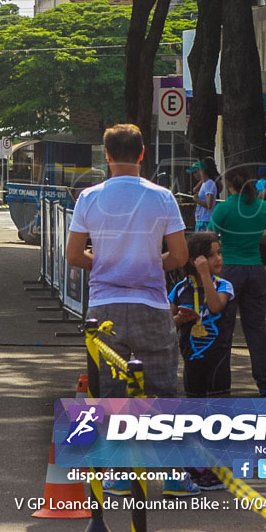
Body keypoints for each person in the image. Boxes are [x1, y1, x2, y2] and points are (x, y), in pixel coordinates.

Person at [65, 123, 193, 496]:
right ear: (141, 154)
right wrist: (151, 263)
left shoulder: (89, 197)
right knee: (162, 389)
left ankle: (120, 474)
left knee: (113, 391)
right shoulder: (163, 197)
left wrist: (105, 262)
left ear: (106, 156)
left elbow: (73, 255)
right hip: (152, 303)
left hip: (104, 307)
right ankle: (172, 476)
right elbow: (181, 256)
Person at [171, 232, 234, 492]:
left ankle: (217, 468)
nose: (218, 258)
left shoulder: (223, 285)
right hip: (192, 359)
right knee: (195, 411)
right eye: (212, 254)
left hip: (217, 359)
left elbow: (216, 306)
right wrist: (180, 320)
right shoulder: (180, 288)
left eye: (219, 253)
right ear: (196, 259)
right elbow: (168, 321)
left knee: (217, 412)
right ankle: (197, 466)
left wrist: (206, 274)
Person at [211, 167, 266, 396]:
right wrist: (255, 235)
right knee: (257, 329)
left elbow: (211, 237)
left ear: (229, 184)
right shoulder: (262, 206)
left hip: (229, 270)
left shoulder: (224, 208)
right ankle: (265, 383)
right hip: (256, 269)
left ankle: (220, 381)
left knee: (223, 327)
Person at [188, 157, 219, 231]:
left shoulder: (209, 184)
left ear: (202, 171)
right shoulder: (204, 183)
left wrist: (196, 200)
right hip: (200, 219)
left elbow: (209, 205)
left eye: (196, 172)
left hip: (206, 220)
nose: (194, 175)